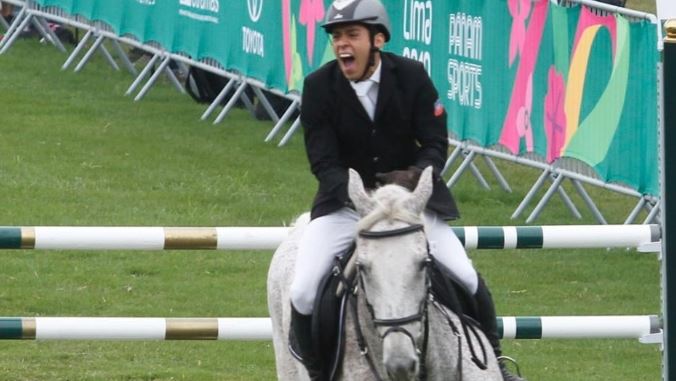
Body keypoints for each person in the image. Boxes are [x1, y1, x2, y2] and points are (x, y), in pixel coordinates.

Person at [290, 0, 526, 380]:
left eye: (351, 35)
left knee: (466, 277)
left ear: (377, 39)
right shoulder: (319, 86)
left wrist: (416, 177)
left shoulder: (412, 76)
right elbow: (323, 162)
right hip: (348, 207)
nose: (341, 44)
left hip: (408, 208)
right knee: (302, 292)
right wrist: (362, 197)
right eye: (336, 37)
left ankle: (496, 363)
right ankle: (318, 373)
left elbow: (434, 143)